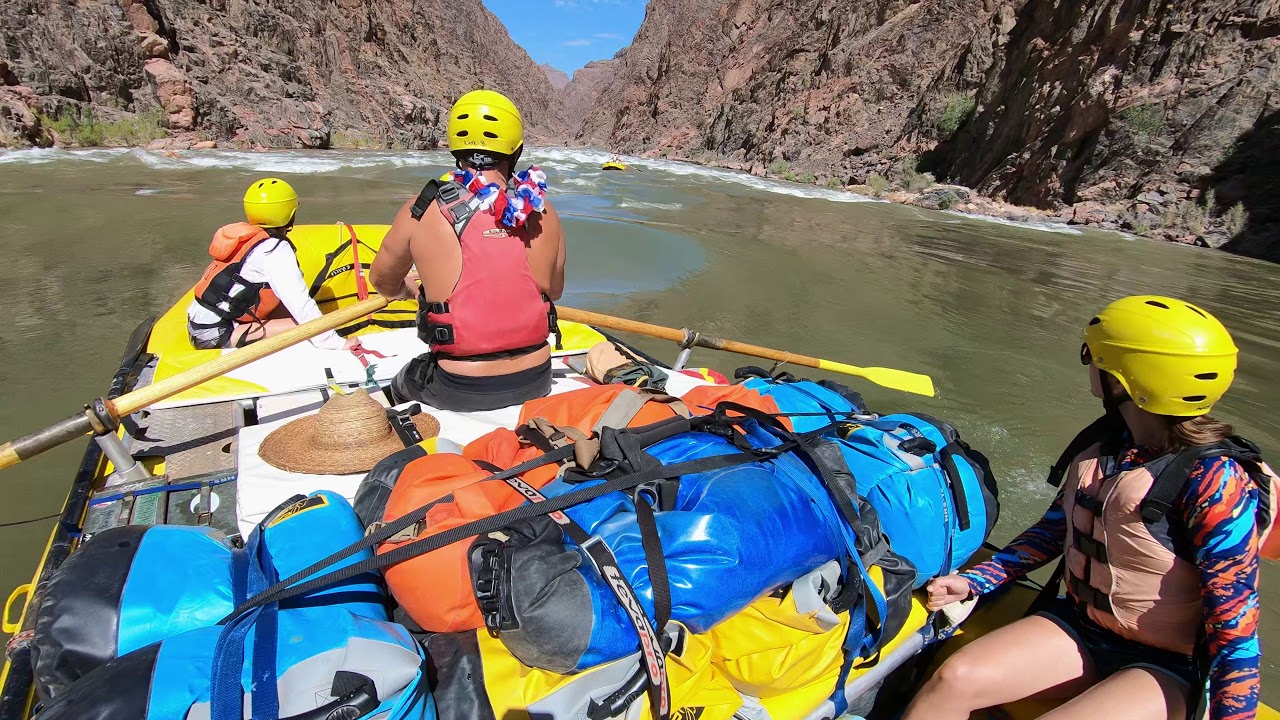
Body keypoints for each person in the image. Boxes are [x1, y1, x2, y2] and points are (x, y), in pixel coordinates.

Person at [905, 295, 1271, 720]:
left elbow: (1235, 625)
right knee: (955, 680)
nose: (1089, 366)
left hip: (1167, 668)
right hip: (1084, 627)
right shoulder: (1108, 445)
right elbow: (1055, 531)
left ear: (1122, 380)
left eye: (1094, 357)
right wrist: (977, 581)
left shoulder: (1215, 481)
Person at [371, 89, 566, 412]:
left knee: (405, 378)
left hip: (460, 386)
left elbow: (381, 281)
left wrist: (408, 290)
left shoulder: (422, 210)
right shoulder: (543, 211)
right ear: (516, 150)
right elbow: (554, 291)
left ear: (455, 148)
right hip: (537, 377)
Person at [187, 178, 355, 351]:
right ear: (290, 213)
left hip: (201, 324)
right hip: (215, 334)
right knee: (306, 327)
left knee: (294, 314)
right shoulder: (273, 250)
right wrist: (336, 343)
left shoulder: (250, 239)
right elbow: (300, 303)